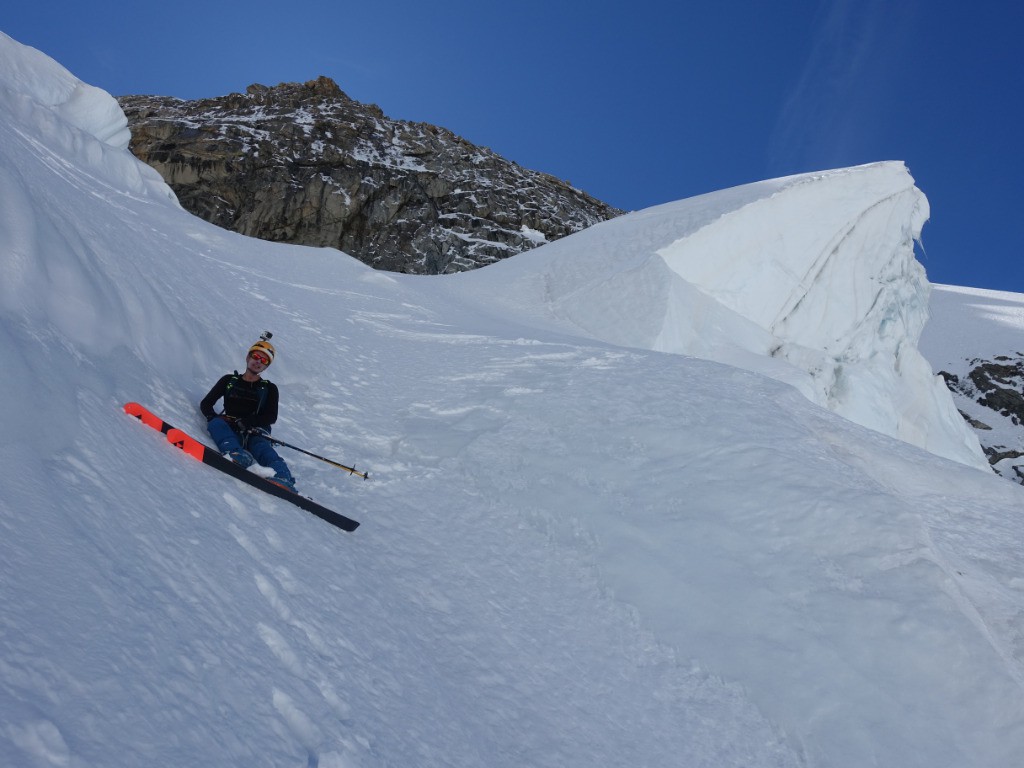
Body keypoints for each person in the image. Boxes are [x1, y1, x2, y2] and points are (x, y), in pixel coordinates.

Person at [200, 337, 297, 492]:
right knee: (216, 424)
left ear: (265, 367)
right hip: (231, 428)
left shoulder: (270, 388)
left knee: (261, 448)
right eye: (256, 356)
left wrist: (249, 422)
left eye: (264, 361)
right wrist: (213, 417)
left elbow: (271, 416)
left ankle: (283, 476)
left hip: (256, 430)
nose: (258, 362)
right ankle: (236, 454)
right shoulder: (228, 380)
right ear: (248, 357)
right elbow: (206, 404)